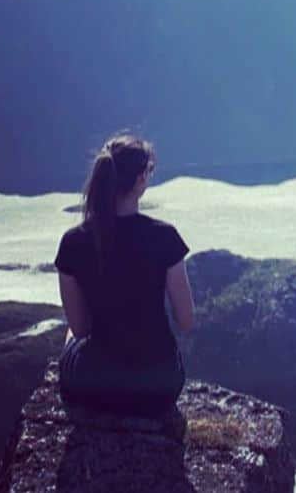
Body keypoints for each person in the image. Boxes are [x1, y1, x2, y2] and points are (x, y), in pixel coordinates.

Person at [54, 133, 195, 419]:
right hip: (159, 386)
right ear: (141, 180)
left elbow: (80, 329)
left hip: (96, 386)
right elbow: (186, 320)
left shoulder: (73, 242)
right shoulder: (165, 237)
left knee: (71, 337)